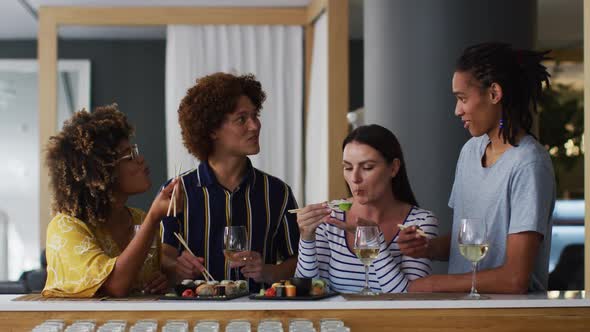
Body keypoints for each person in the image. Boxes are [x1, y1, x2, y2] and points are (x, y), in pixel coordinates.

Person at [399, 42, 556, 293]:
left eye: (462, 98)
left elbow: (515, 278)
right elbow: (470, 242)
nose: (457, 110)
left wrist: (433, 284)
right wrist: (427, 248)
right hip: (464, 314)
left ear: (494, 93)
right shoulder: (470, 152)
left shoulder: (529, 164)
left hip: (508, 319)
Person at [160, 73, 299, 291]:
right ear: (212, 129)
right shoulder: (178, 190)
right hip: (196, 317)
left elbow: (297, 261)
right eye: (242, 119)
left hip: (259, 315)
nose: (255, 126)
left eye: (255, 115)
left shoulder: (277, 193)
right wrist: (178, 266)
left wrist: (268, 271)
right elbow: (163, 256)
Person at [43, 104, 178, 298]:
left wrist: (161, 281)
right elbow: (115, 285)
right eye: (129, 156)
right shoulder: (65, 228)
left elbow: (140, 283)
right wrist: (154, 218)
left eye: (135, 151)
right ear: (101, 171)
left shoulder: (139, 219)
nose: (140, 160)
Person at [295, 124, 439, 293]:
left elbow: (406, 298)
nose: (355, 178)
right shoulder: (329, 217)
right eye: (348, 168)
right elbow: (308, 290)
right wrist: (306, 239)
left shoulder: (419, 222)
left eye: (367, 167)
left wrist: (373, 240)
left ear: (393, 168)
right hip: (337, 320)